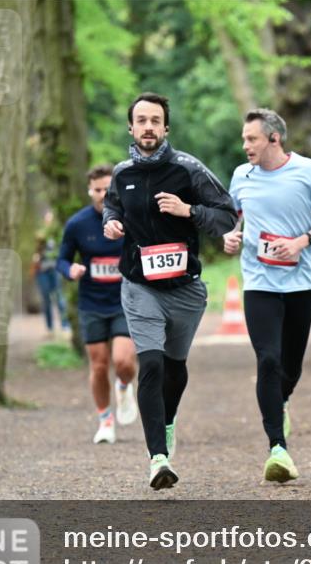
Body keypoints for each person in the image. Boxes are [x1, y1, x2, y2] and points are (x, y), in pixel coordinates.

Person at [102, 92, 238, 490]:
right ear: (131, 128)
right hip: (139, 285)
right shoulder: (122, 173)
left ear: (165, 128)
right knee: (153, 364)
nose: (147, 127)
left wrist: (188, 211)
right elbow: (112, 207)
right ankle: (158, 458)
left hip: (185, 290)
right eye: (140, 120)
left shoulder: (188, 170)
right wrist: (112, 223)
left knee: (175, 367)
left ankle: (167, 422)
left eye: (154, 120)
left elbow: (227, 216)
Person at [223, 108, 311, 483]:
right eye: (244, 139)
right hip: (259, 283)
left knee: (291, 367)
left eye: (251, 139)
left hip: (301, 284)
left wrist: (301, 241)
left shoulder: (309, 172)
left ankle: (281, 401)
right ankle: (278, 448)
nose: (245, 146)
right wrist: (230, 236)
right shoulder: (242, 176)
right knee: (268, 359)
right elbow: (232, 218)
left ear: (274, 138)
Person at [57, 164, 138, 445]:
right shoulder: (77, 224)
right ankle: (105, 420)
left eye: (108, 189)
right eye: (98, 190)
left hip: (124, 301)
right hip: (91, 303)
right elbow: (62, 259)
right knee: (99, 364)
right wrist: (71, 271)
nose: (103, 194)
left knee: (124, 362)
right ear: (90, 191)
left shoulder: (130, 218)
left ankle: (125, 386)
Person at [32, 211, 70, 338]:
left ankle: (65, 326)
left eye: (51, 219)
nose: (49, 222)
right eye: (47, 219)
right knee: (46, 299)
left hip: (56, 269)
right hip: (42, 270)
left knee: (60, 298)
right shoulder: (40, 235)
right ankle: (49, 328)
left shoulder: (58, 235)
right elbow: (35, 252)